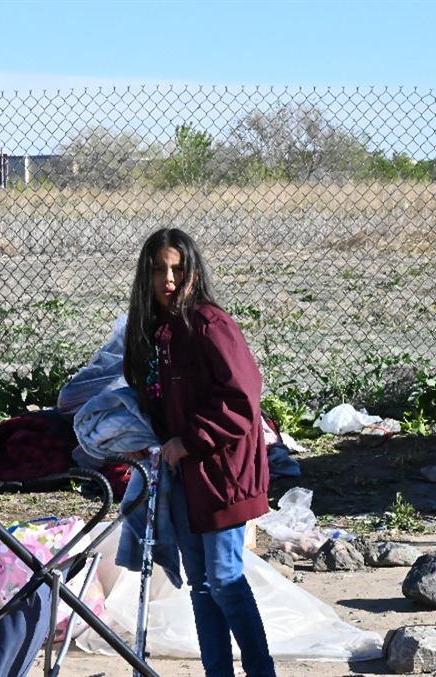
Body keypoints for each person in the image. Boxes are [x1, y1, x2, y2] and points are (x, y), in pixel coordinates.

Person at [121, 228, 277, 677]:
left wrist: (189, 440)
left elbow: (241, 399)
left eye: (177, 267)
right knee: (202, 586)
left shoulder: (210, 324)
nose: (168, 278)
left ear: (192, 269)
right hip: (184, 473)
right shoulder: (157, 332)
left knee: (225, 579)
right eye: (157, 269)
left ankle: (261, 672)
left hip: (223, 472)